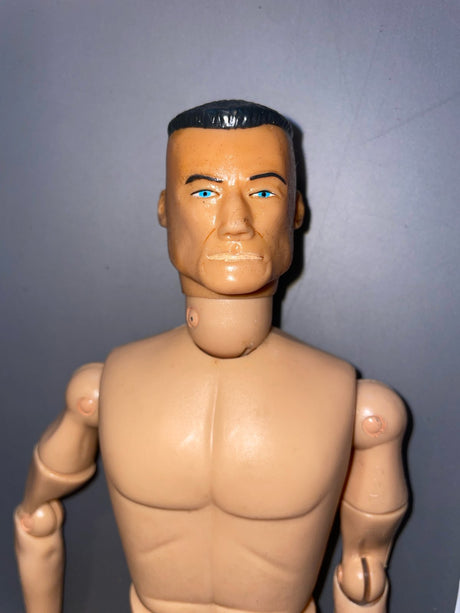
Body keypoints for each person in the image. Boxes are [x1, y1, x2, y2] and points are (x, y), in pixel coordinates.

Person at [14, 100, 408, 613]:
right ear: (164, 209)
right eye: (204, 192)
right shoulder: (101, 389)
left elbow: (363, 575)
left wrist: (365, 574)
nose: (236, 222)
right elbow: (35, 519)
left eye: (263, 192)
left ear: (295, 212)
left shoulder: (360, 411)